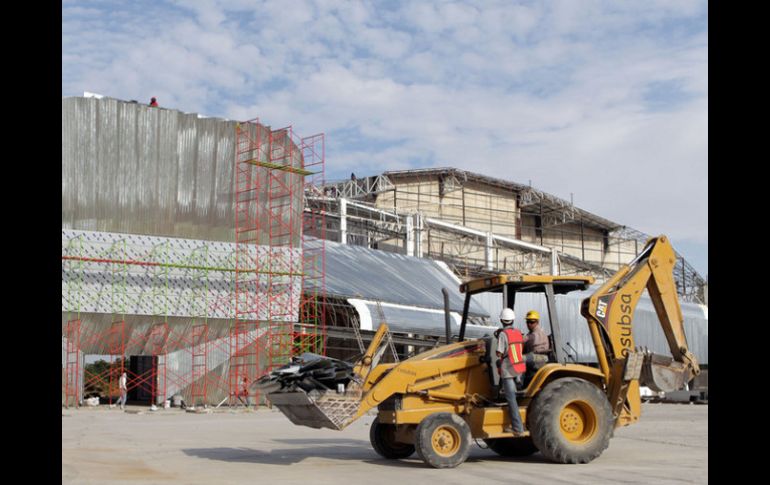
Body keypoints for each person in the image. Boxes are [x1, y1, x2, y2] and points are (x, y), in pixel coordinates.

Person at [495, 308, 527, 436]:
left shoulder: (503, 334)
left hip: (508, 369)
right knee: (517, 396)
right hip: (519, 368)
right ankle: (521, 423)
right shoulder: (519, 333)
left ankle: (518, 428)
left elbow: (499, 353)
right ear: (512, 320)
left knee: (511, 398)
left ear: (502, 320)